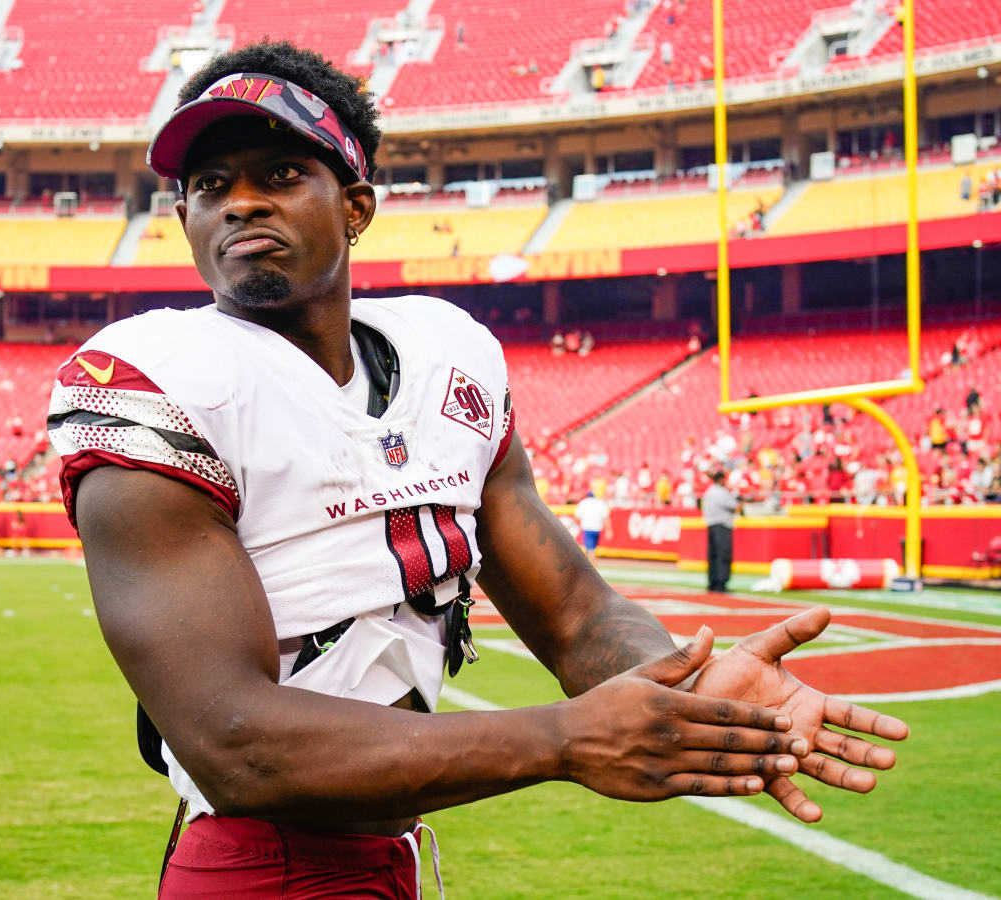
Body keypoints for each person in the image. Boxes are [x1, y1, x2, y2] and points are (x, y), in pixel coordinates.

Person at [48, 40, 907, 898]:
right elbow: (237, 745)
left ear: (355, 206)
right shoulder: (152, 377)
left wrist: (690, 680)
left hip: (394, 855)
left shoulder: (445, 355)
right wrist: (565, 740)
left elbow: (575, 613)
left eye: (278, 174)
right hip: (259, 866)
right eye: (209, 186)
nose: (239, 205)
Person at [701, 470, 738, 591]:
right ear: (721, 479)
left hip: (711, 525)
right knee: (723, 555)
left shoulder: (709, 491)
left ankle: (712, 582)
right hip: (722, 526)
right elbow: (734, 505)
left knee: (713, 555)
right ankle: (721, 583)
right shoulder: (721, 492)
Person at [573, 491, 611, 557]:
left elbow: (577, 518)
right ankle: (591, 564)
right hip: (597, 528)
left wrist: (577, 525)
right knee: (592, 548)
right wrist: (609, 530)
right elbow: (606, 518)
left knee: (589, 549)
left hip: (587, 527)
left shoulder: (583, 503)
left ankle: (591, 564)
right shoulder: (600, 503)